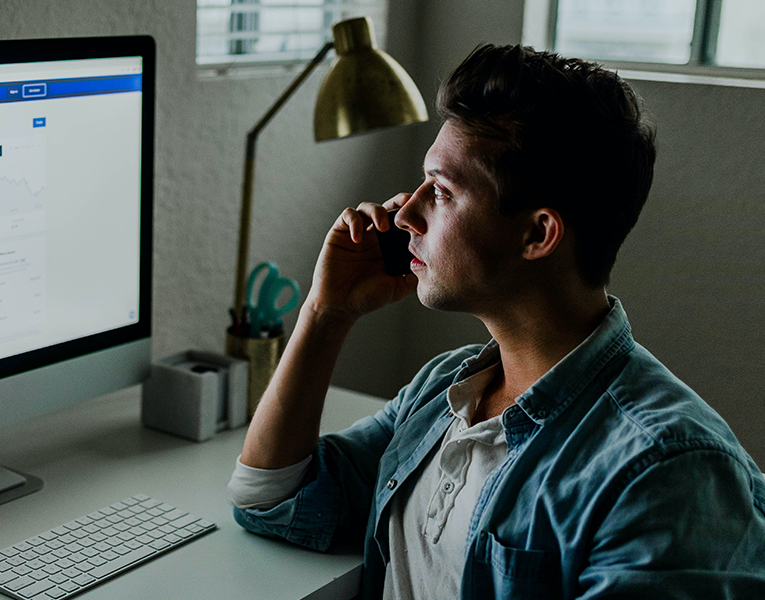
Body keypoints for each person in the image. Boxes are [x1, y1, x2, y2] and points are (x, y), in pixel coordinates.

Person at [228, 44, 765, 599]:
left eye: (440, 192)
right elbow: (270, 498)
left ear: (538, 234)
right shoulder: (446, 391)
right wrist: (324, 313)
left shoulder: (667, 473)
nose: (405, 214)